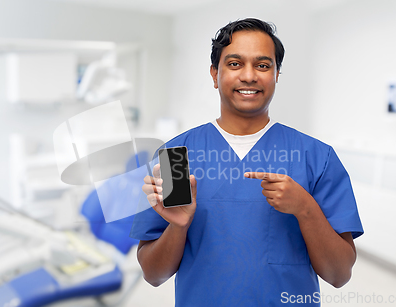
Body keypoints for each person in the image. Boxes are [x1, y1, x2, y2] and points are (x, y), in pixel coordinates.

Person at [130, 18, 363, 306]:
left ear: (277, 74)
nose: (249, 76)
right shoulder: (177, 157)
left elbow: (339, 275)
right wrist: (179, 226)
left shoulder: (316, 156)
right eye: (235, 63)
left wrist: (305, 208)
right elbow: (154, 274)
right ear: (215, 74)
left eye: (263, 65)